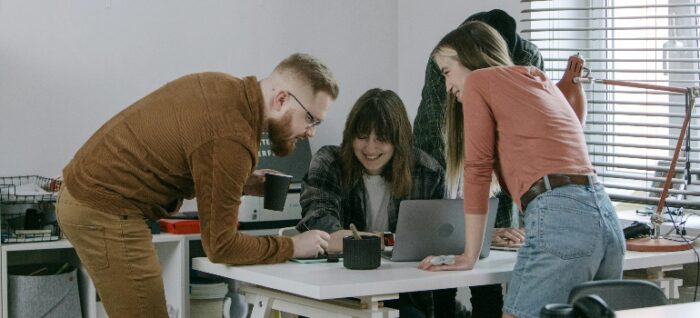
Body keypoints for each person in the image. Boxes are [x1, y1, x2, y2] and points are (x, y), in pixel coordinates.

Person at [56, 53, 338, 318]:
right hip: (103, 208)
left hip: (87, 195)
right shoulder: (233, 138)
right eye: (311, 119)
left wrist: (241, 182)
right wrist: (292, 246)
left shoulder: (224, 87)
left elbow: (194, 149)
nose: (311, 131)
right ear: (281, 99)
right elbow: (221, 246)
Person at [418, 21, 625, 318]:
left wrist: (469, 256)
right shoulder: (536, 77)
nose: (448, 87)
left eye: (447, 72)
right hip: (605, 216)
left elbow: (477, 168)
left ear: (469, 57)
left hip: (561, 216)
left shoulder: (479, 80)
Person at [412, 9, 537, 317]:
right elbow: (433, 137)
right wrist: (463, 227)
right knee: (445, 248)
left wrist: (502, 226)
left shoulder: (529, 58)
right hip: (444, 159)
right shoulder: (446, 57)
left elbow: (522, 140)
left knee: (490, 265)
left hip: (499, 166)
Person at [297, 88, 459, 318]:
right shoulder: (329, 163)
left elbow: (439, 239)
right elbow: (323, 233)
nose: (370, 148)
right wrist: (388, 239)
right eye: (362, 137)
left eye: (382, 139)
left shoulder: (427, 172)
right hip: (337, 287)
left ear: (399, 140)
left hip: (402, 290)